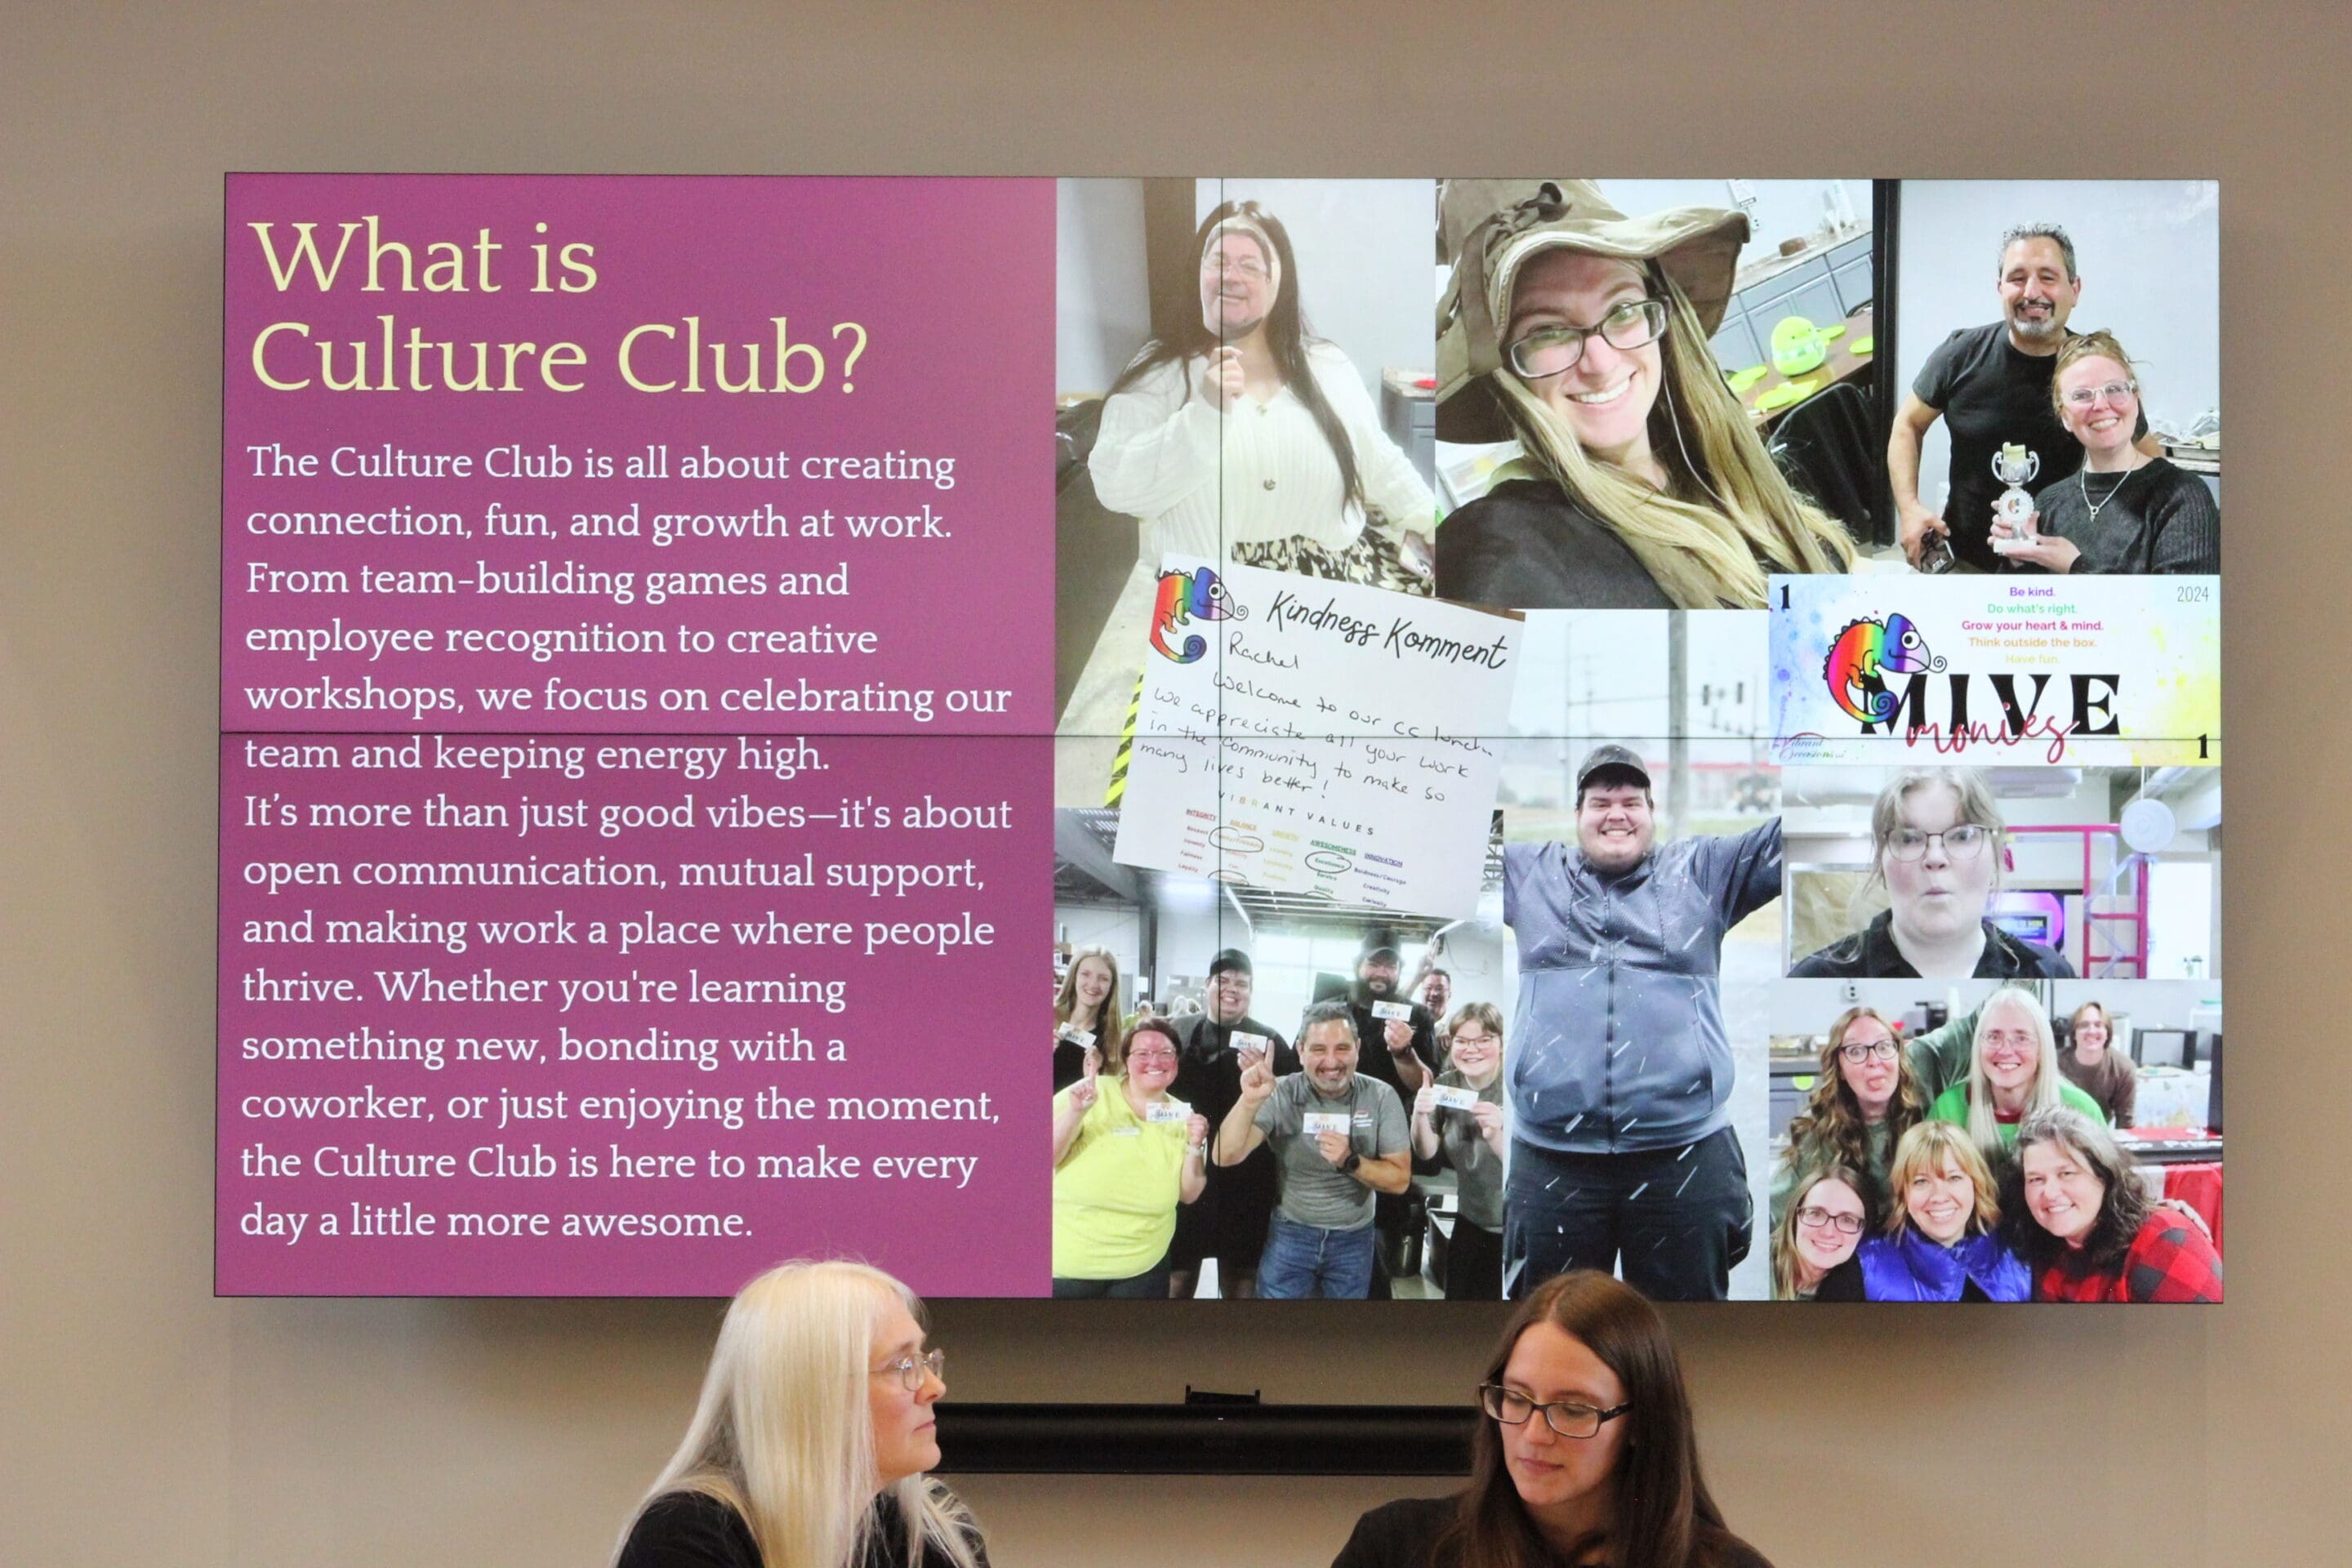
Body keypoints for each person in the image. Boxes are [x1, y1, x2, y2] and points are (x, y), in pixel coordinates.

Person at [1433, 179, 1854, 611]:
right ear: (1505, 368)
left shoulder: (1708, 463)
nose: (1601, 362)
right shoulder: (1507, 547)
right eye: (1547, 332)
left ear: (1662, 314)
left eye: (1622, 309)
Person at [1500, 743, 1780, 1302]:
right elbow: (1433, 845)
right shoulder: (1531, 875)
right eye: (1601, 802)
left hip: (1685, 1156)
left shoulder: (1703, 872)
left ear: (1651, 813)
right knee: (1554, 1333)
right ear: (1578, 815)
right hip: (1553, 1161)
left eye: (1631, 801)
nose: (1616, 814)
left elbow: (1792, 837)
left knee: (1686, 1340)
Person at [1088, 200, 1434, 587]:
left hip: (1329, 600)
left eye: (1250, 265)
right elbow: (1115, 486)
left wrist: (1433, 526)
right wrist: (1204, 415)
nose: (1231, 277)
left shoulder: (1326, 365)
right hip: (1204, 602)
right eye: (1218, 261)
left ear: (1278, 281)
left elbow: (1379, 460)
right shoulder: (1162, 370)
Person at [1333, 1271, 1775, 1568]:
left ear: (1640, 1423)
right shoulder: (1397, 1547)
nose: (1534, 1434)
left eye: (1574, 1409)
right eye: (1517, 1398)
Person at [613, 1260, 987, 1568]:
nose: (934, 1387)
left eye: (923, 1359)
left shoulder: (937, 1531)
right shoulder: (687, 1537)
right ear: (816, 1393)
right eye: (902, 1364)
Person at [1889, 224, 2159, 572]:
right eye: (2017, 278)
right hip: (1964, 565)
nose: (2032, 292)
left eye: (2048, 277)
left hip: (2062, 571)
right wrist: (1909, 509)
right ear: (2000, 287)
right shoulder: (1959, 354)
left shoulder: (2095, 370)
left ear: (2074, 290)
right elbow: (1908, 424)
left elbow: (2147, 456)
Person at [1789, 768, 2075, 979]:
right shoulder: (1814, 978)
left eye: (1963, 836)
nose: (1935, 858)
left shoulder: (2048, 972)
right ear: (1881, 864)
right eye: (1909, 838)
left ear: (1997, 857)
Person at [1218, 1001, 1411, 1300]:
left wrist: (1351, 1161)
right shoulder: (1280, 1091)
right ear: (1300, 1050)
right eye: (1319, 1049)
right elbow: (1224, 1155)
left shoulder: (1381, 1096)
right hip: (1290, 1233)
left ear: (1358, 1048)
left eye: (1343, 1048)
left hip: (1354, 1237)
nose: (1331, 1062)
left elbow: (1400, 1181)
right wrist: (1249, 1100)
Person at [1996, 330, 2220, 575]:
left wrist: (2077, 567)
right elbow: (2028, 607)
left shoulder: (2184, 496)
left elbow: (2184, 610)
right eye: (2082, 395)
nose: (2101, 405)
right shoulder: (2049, 503)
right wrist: (2019, 560)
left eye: (2114, 389)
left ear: (2136, 401)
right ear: (2065, 417)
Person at [1163, 947, 1298, 1298]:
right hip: (1184, 1167)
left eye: (1242, 983)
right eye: (1223, 980)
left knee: (1241, 1274)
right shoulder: (1176, 1033)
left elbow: (1292, 1103)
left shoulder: (1271, 1043)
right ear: (1207, 985)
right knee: (1179, 1270)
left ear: (1251, 993)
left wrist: (1268, 1083)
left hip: (1247, 1175)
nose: (1232, 989)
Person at [1049, 1018, 1211, 1298]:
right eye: (1143, 1053)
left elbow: (1189, 1194)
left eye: (1165, 1053)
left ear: (1176, 1061)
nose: (1155, 1061)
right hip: (1069, 1267)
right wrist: (1076, 1112)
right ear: (1126, 1060)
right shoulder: (1090, 1091)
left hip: (1143, 1267)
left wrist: (1195, 1146)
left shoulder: (1183, 1115)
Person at [2009, 1107, 2223, 1302]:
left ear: (2104, 1175)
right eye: (2036, 1179)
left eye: (2066, 1174)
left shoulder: (2165, 1244)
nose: (2050, 1193)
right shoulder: (2045, 1245)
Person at [1767, 1006, 1927, 1229]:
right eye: (1856, 1051)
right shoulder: (1818, 1132)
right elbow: (1775, 1217)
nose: (1874, 1060)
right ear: (1839, 1069)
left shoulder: (1925, 1116)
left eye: (1883, 1046)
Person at [1853, 1122, 2030, 1302]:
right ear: (1903, 1192)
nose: (1939, 1197)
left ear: (1976, 1184)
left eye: (1954, 1178)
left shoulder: (2016, 1252)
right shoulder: (1866, 1266)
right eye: (1921, 1181)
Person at [1927, 987, 2106, 1160]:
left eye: (2021, 1038)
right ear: (1978, 1046)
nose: (2005, 1050)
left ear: (2042, 1049)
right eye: (1993, 1037)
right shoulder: (1948, 1109)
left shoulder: (2082, 1111)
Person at [1412, 1002, 1508, 1300]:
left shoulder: (1513, 1087)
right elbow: (1426, 1152)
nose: (1472, 1049)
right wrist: (1418, 1113)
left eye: (1484, 1040)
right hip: (1470, 1220)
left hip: (1515, 1227)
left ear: (1502, 1043)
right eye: (1462, 1041)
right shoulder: (1446, 1085)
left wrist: (1496, 1135)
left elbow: (1531, 1168)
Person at [1770, 1166, 1870, 1302]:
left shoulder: (1865, 1287)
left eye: (1847, 1220)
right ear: (1794, 1217)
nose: (1828, 1232)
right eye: (1816, 1214)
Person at [1051, 945, 1126, 1092]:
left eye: (1103, 979)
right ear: (1074, 977)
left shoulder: (1113, 1040)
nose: (1093, 984)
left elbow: (1109, 1098)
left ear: (1112, 986)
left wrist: (1096, 1075)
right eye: (1085, 974)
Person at [2056, 999, 2138, 1128]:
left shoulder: (2124, 1068)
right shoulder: (2053, 1063)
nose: (2091, 1031)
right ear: (2074, 1034)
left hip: (2100, 1136)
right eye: (2084, 1025)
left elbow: (2125, 1123)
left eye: (2098, 1025)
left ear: (2108, 1033)